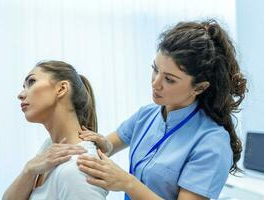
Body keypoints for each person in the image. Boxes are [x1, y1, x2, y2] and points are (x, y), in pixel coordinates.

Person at [76, 19, 247, 200]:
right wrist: (103, 145)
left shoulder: (212, 142)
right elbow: (106, 146)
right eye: (155, 70)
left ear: (199, 88)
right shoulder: (146, 115)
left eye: (169, 79)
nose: (155, 83)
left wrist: (127, 183)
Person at [3, 61, 108, 200]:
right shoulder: (48, 149)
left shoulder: (77, 168)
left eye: (31, 82)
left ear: (61, 89)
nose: (21, 95)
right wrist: (28, 171)